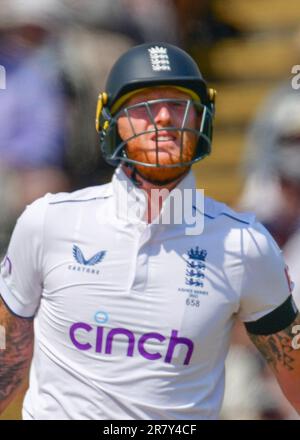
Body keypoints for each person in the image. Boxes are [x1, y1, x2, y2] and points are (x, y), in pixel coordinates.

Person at [0, 42, 300, 420]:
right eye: (144, 105)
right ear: (109, 119)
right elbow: (7, 360)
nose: (163, 118)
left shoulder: (245, 245)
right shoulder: (47, 223)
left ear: (201, 119)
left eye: (178, 104)